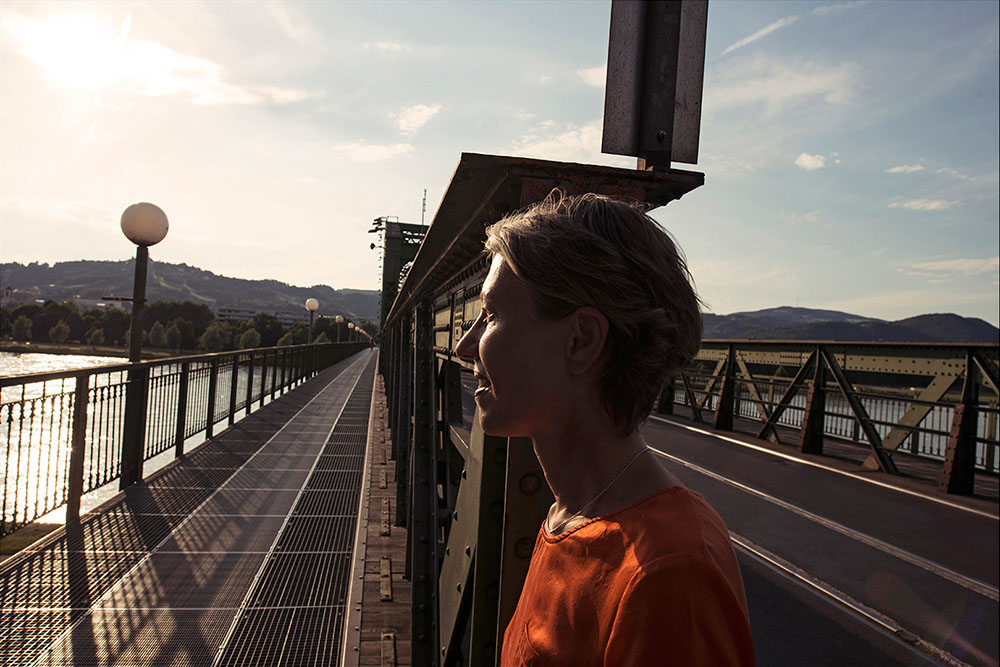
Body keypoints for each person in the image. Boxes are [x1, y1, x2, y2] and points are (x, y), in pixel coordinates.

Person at [454, 191, 755, 666]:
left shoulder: (669, 574)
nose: (465, 346)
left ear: (581, 341)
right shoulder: (573, 516)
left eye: (490, 316)